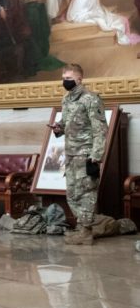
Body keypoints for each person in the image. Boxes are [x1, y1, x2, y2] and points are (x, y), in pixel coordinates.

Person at [50, 64, 107, 246]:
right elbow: (66, 123)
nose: (64, 81)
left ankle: (86, 231)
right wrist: (58, 127)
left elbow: (100, 130)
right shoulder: (66, 100)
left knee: (86, 193)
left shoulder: (91, 99)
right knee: (72, 194)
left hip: (86, 154)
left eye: (68, 78)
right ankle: (83, 227)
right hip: (71, 153)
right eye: (63, 78)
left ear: (79, 79)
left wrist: (96, 156)